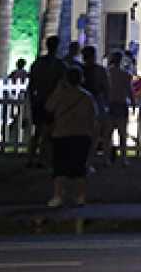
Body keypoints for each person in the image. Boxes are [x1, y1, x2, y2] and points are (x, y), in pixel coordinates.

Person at [45, 66, 97, 208]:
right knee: (79, 168)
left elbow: (49, 107)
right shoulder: (87, 97)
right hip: (82, 134)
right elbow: (93, 117)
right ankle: (80, 196)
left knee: (60, 167)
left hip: (62, 134)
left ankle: (58, 196)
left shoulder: (60, 95)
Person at [26, 36, 67, 168]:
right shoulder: (59, 65)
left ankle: (32, 158)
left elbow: (31, 84)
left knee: (38, 131)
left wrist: (32, 98)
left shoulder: (38, 63)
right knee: (49, 132)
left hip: (39, 100)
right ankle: (43, 159)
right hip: (52, 101)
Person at [80, 46, 111, 164]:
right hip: (94, 104)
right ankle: (90, 160)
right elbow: (106, 88)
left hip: (89, 104)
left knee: (93, 134)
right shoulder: (98, 70)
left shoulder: (82, 69)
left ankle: (88, 160)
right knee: (95, 134)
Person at [105, 50, 134, 164]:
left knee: (108, 134)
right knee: (122, 133)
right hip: (121, 104)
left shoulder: (108, 73)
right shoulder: (125, 74)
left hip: (111, 104)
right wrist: (133, 102)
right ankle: (123, 158)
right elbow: (129, 90)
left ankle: (107, 158)